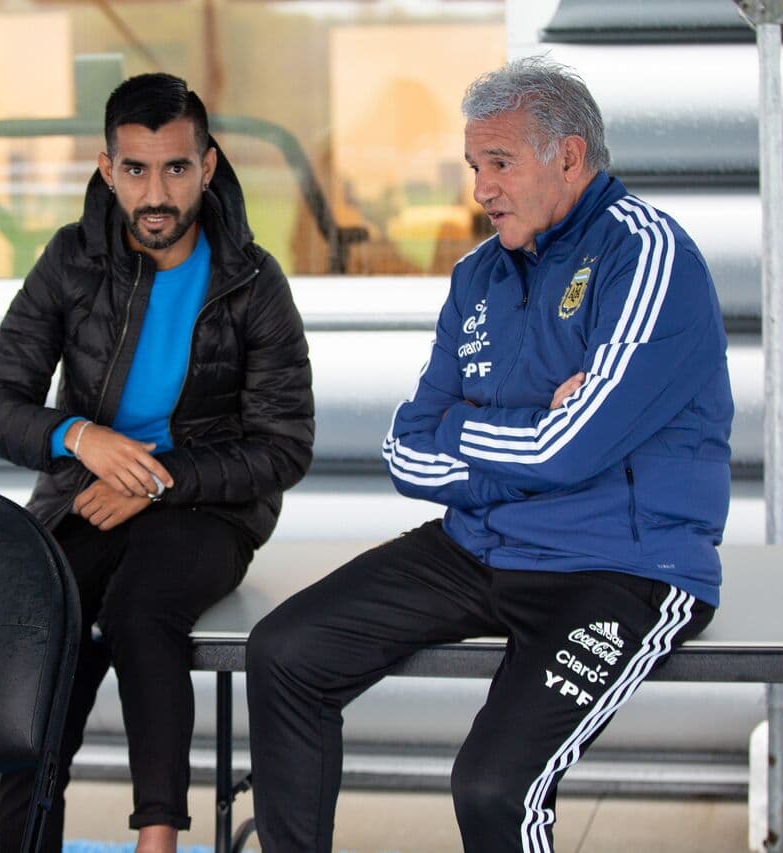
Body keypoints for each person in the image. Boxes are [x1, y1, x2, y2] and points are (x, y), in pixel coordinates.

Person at [246, 56, 733, 852]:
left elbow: (569, 447)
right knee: (285, 652)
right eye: (474, 166)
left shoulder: (647, 256)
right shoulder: (478, 275)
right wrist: (525, 433)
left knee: (494, 788)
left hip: (623, 567)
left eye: (499, 163)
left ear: (568, 157)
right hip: (480, 545)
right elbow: (405, 450)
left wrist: (471, 431)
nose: (480, 189)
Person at [0, 72, 314, 853]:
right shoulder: (71, 261)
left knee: (139, 611)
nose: (156, 194)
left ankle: (158, 838)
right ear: (107, 168)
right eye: (135, 169)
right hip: (85, 498)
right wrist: (79, 438)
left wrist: (157, 480)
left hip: (209, 509)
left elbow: (284, 446)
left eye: (176, 168)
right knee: (47, 629)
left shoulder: (253, 281)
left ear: (208, 166)